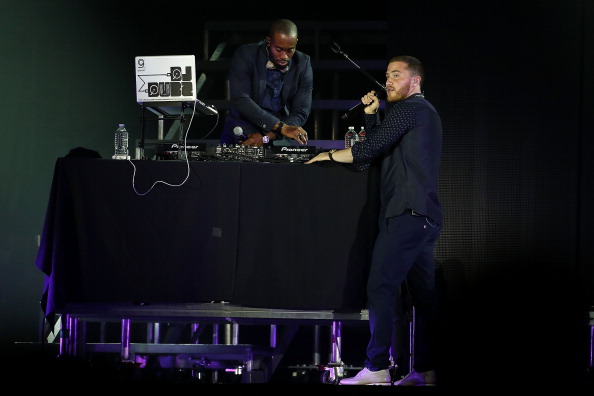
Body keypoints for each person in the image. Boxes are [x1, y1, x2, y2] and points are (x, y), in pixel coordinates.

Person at [305, 55, 443, 386]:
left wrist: (327, 154)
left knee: (380, 286)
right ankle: (426, 370)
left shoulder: (413, 109)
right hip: (422, 217)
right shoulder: (417, 113)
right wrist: (371, 116)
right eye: (387, 75)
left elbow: (368, 152)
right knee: (425, 299)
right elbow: (383, 148)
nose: (389, 81)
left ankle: (378, 366)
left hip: (406, 214)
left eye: (397, 75)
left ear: (416, 81)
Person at [219, 19, 311, 147]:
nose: (284, 56)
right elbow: (241, 99)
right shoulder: (246, 54)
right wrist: (281, 127)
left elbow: (301, 111)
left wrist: (266, 136)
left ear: (296, 43)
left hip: (276, 134)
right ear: (268, 41)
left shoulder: (303, 63)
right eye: (279, 49)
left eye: (290, 50)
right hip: (243, 128)